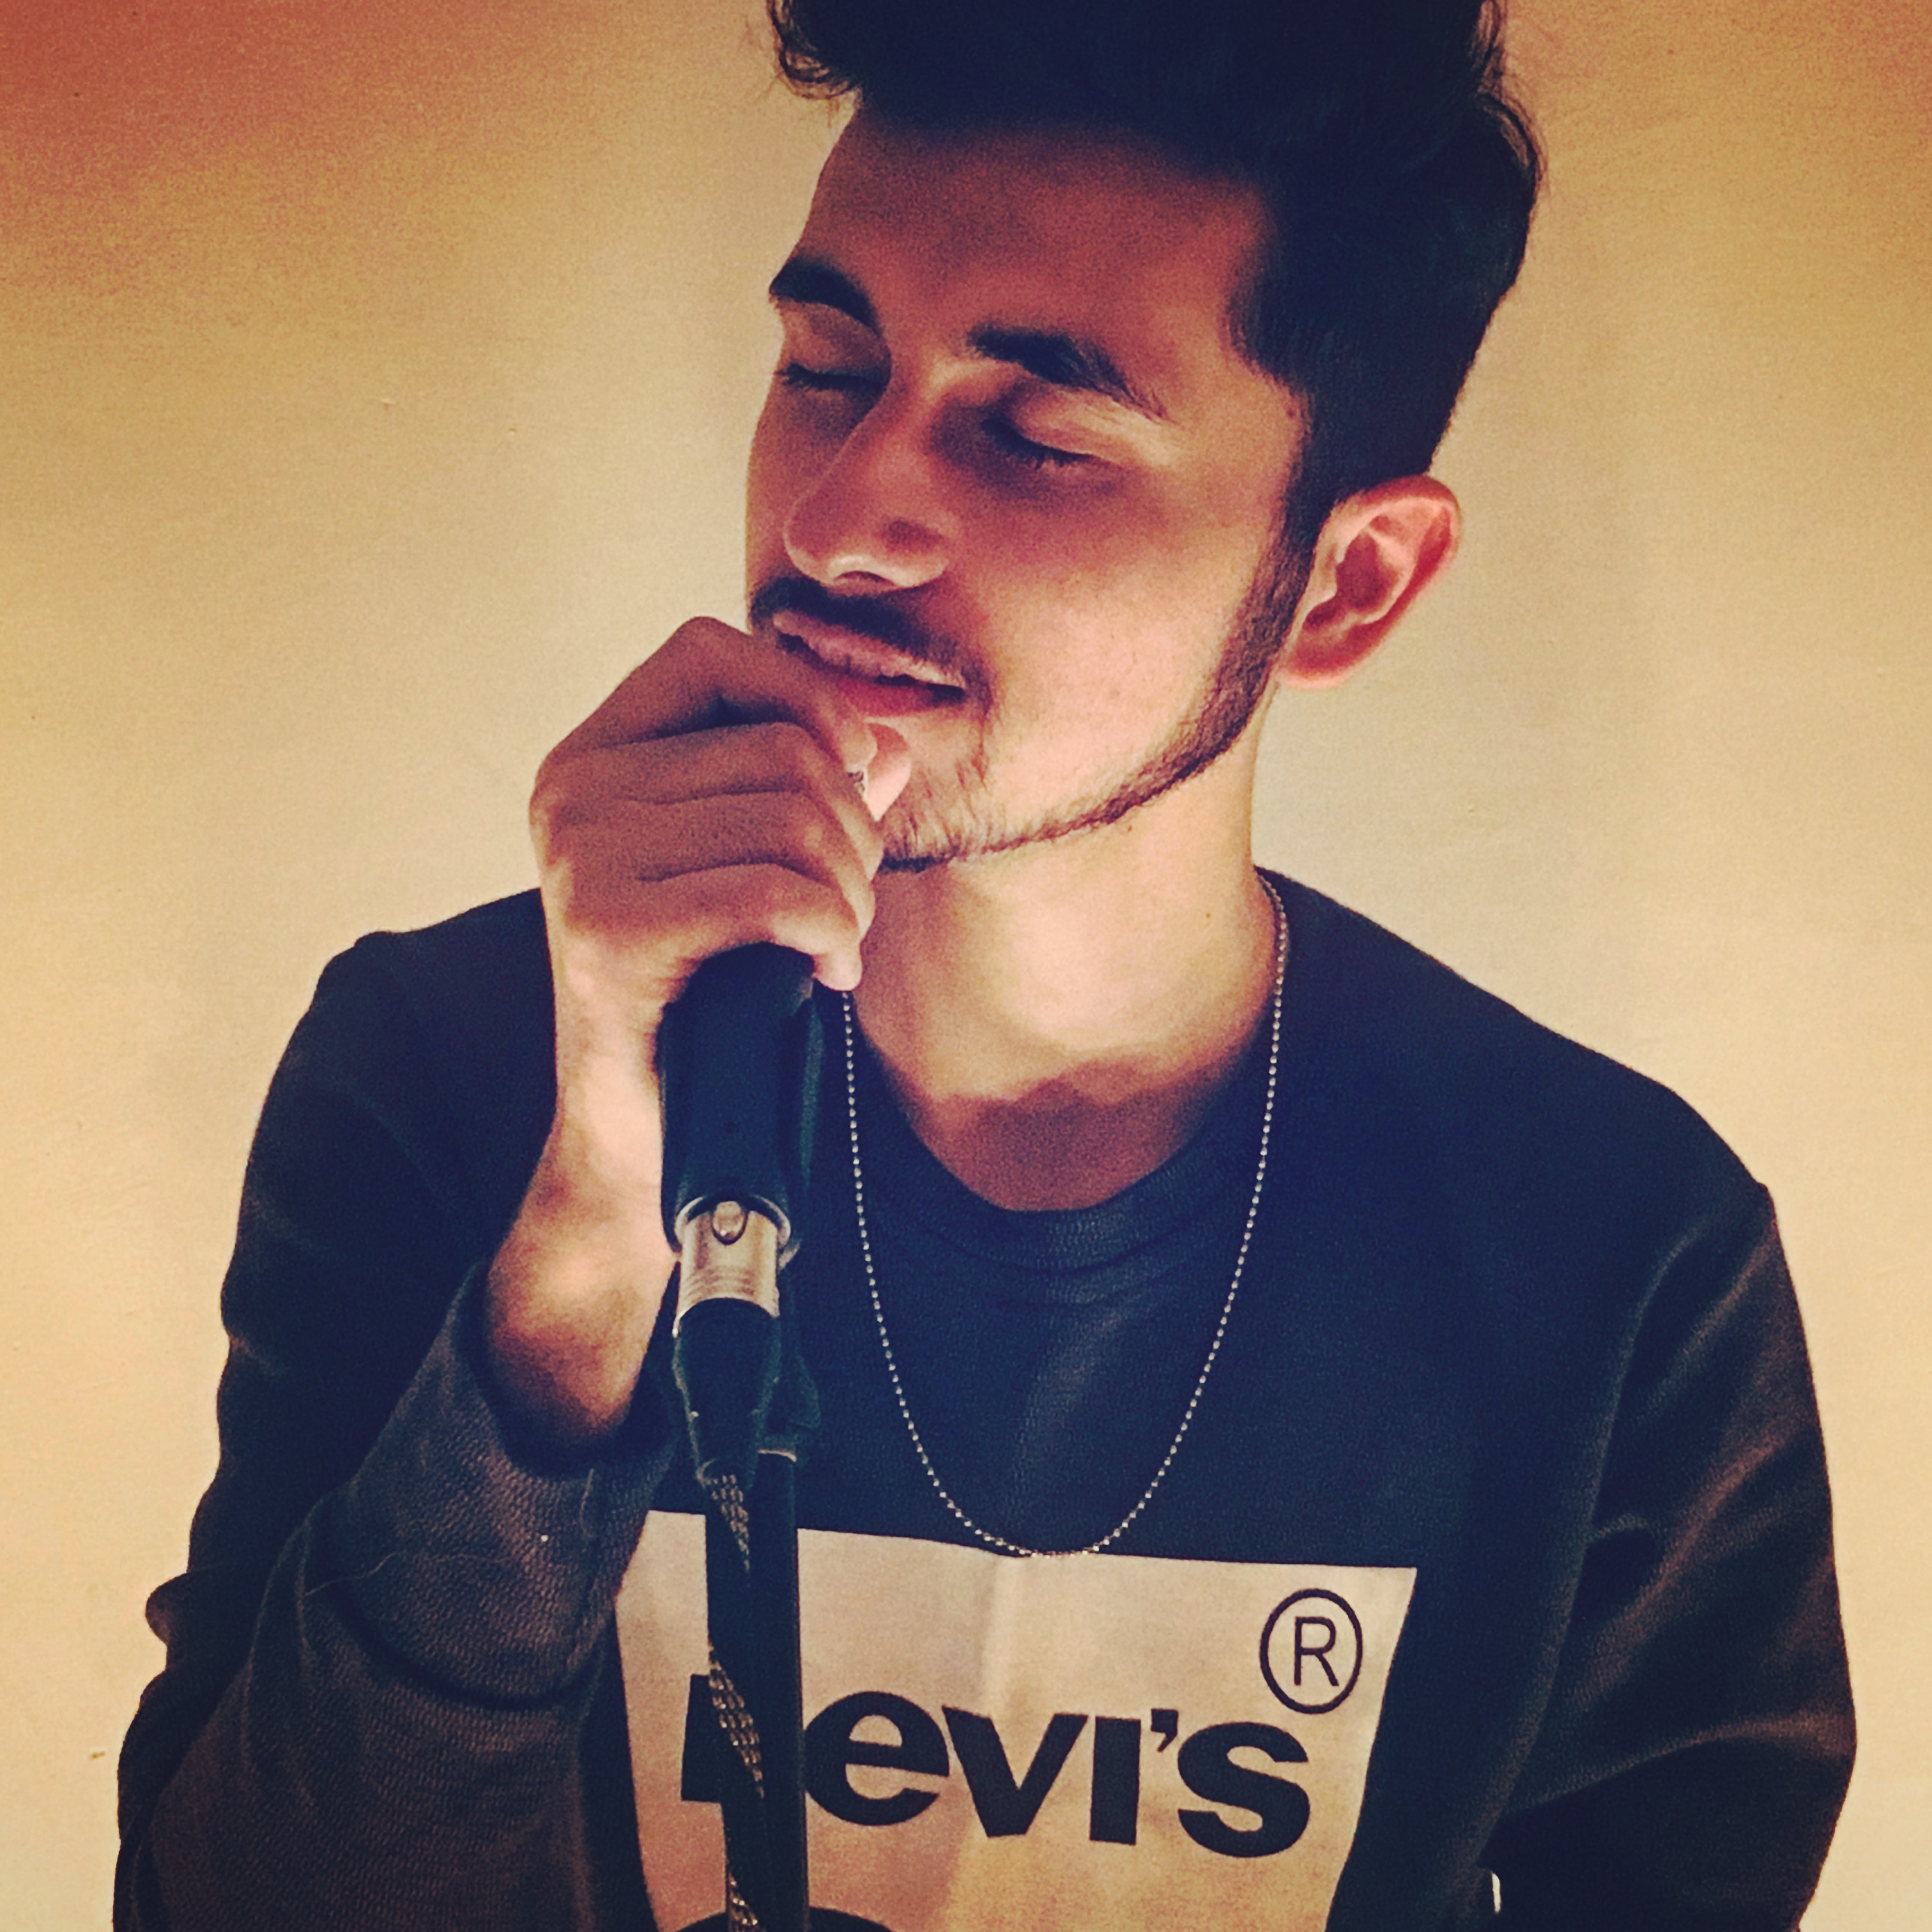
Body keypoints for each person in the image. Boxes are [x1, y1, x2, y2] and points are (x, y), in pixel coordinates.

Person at [116, 2, 1853, 1928]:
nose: (839, 521)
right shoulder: (444, 1069)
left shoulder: (1614, 1256)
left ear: (1346, 579)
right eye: (827, 368)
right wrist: (586, 1253)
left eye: (1036, 436)